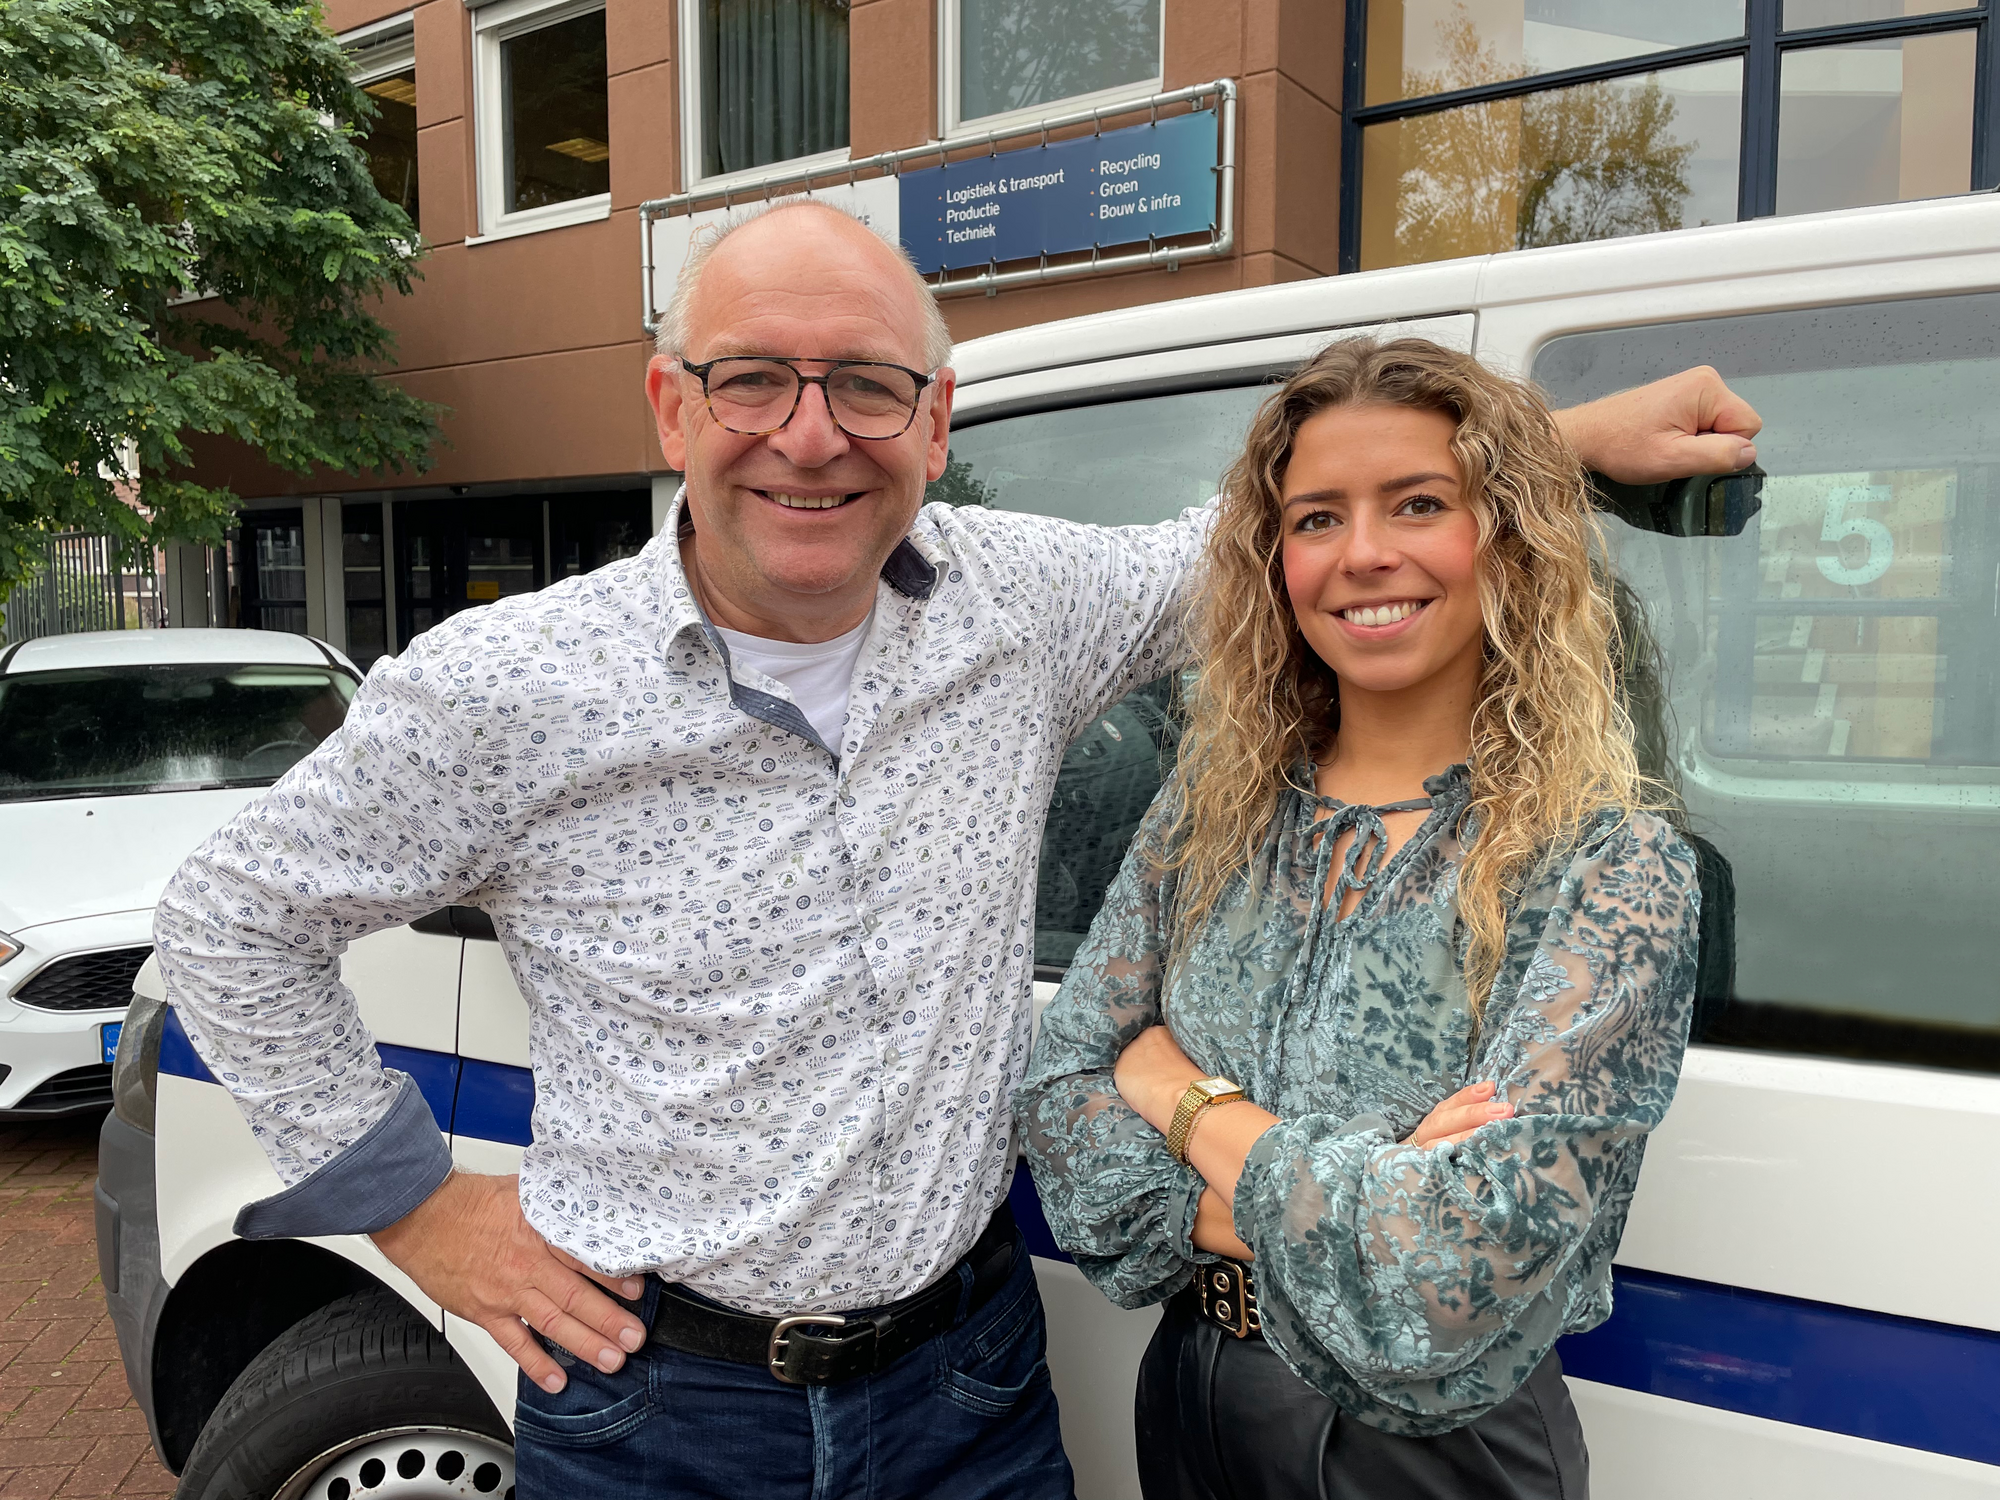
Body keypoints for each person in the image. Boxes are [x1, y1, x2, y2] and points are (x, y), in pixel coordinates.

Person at [152, 201, 1753, 1499]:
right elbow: (231, 920)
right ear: (670, 406)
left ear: (935, 418)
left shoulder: (1021, 607)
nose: (810, 437)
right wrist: (418, 1208)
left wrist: (1548, 442)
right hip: (658, 1409)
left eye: (866, 386)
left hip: (967, 1388)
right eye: (751, 381)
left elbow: (1311, 537)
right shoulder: (504, 689)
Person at [1017, 336, 1703, 1499]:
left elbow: (1446, 1273)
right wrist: (1364, 1192)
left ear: (1504, 536)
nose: (1362, 553)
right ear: (1273, 558)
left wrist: (1179, 1096)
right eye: (1316, 518)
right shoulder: (1207, 812)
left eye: (1418, 503)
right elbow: (1059, 1095)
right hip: (1190, 1394)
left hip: (1434, 1445)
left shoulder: (1606, 863)